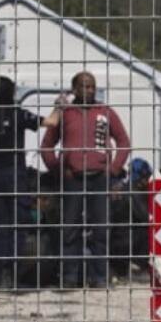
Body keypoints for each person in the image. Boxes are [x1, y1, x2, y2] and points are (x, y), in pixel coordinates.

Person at [39, 71, 131, 289]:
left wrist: (114, 168)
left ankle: (99, 278)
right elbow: (46, 146)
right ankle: (69, 278)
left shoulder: (105, 112)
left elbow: (124, 142)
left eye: (91, 86)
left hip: (100, 178)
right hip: (72, 179)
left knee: (100, 229)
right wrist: (58, 169)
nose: (88, 90)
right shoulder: (65, 113)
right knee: (69, 229)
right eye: (83, 86)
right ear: (74, 89)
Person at [0, 76, 61, 290]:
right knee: (17, 226)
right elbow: (52, 122)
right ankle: (10, 275)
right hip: (15, 177)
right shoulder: (18, 113)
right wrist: (59, 106)